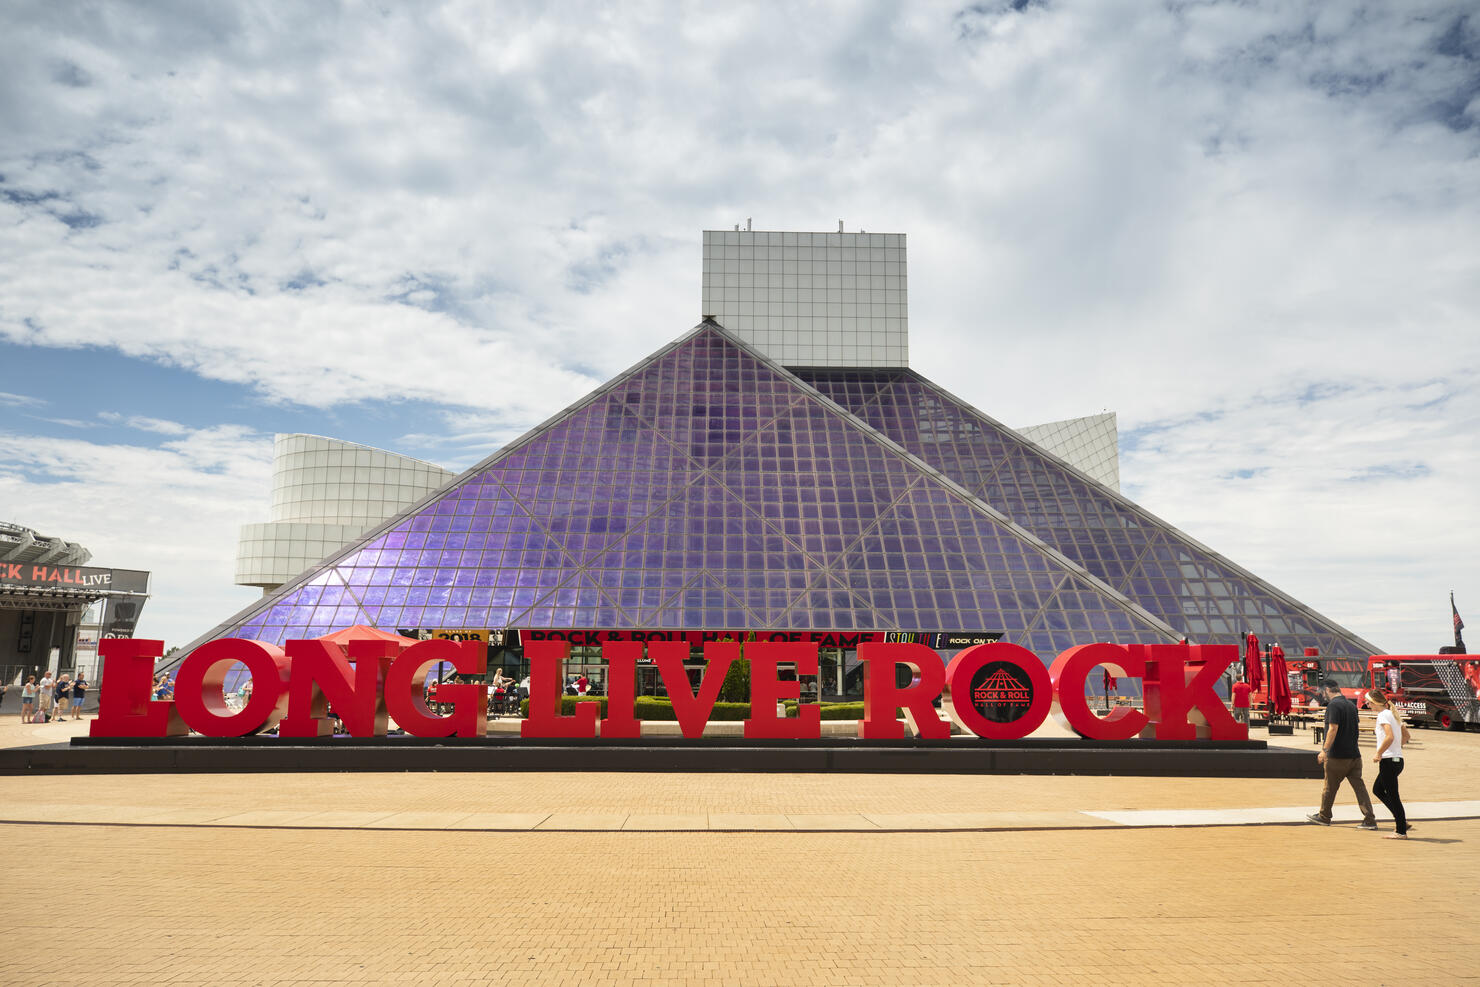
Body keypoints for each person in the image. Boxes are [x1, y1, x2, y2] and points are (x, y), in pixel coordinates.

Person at [1308, 679, 1377, 829]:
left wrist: (1324, 750)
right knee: (1360, 789)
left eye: (1322, 692)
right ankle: (1369, 819)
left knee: (1329, 788)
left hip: (1337, 756)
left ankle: (1324, 816)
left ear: (1327, 690)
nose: (1322, 695)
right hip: (1354, 755)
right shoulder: (1351, 705)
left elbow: (1333, 729)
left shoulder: (1333, 705)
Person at [1368, 688, 1412, 839]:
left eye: (1368, 702)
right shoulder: (1393, 714)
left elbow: (1390, 737)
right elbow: (1406, 735)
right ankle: (1402, 822)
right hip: (1397, 760)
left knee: (1393, 796)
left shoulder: (1383, 715)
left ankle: (1401, 831)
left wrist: (1379, 753)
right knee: (1378, 790)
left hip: (1388, 761)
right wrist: (1396, 750)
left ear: (1375, 702)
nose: (1367, 705)